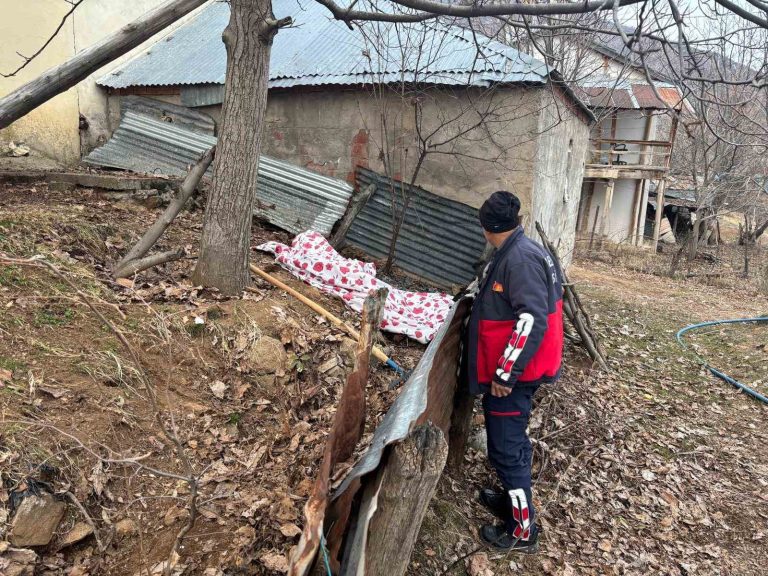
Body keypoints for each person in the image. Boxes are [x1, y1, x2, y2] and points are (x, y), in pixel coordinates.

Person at [464, 191, 564, 553]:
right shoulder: (520, 249)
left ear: (489, 228)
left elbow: (531, 319)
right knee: (511, 440)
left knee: (505, 449)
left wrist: (505, 373)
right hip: (522, 369)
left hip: (516, 376)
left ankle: (523, 530)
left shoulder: (519, 260)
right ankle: (512, 501)